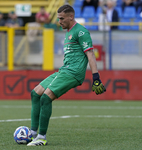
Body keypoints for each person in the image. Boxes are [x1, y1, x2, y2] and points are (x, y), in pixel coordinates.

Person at [27, 4, 106, 146]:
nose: (59, 21)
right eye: (58, 18)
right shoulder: (68, 31)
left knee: (46, 98)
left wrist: (96, 77)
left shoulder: (81, 32)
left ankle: (41, 137)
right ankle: (32, 134)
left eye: (62, 18)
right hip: (64, 70)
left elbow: (90, 54)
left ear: (71, 16)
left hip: (73, 73)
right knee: (35, 93)